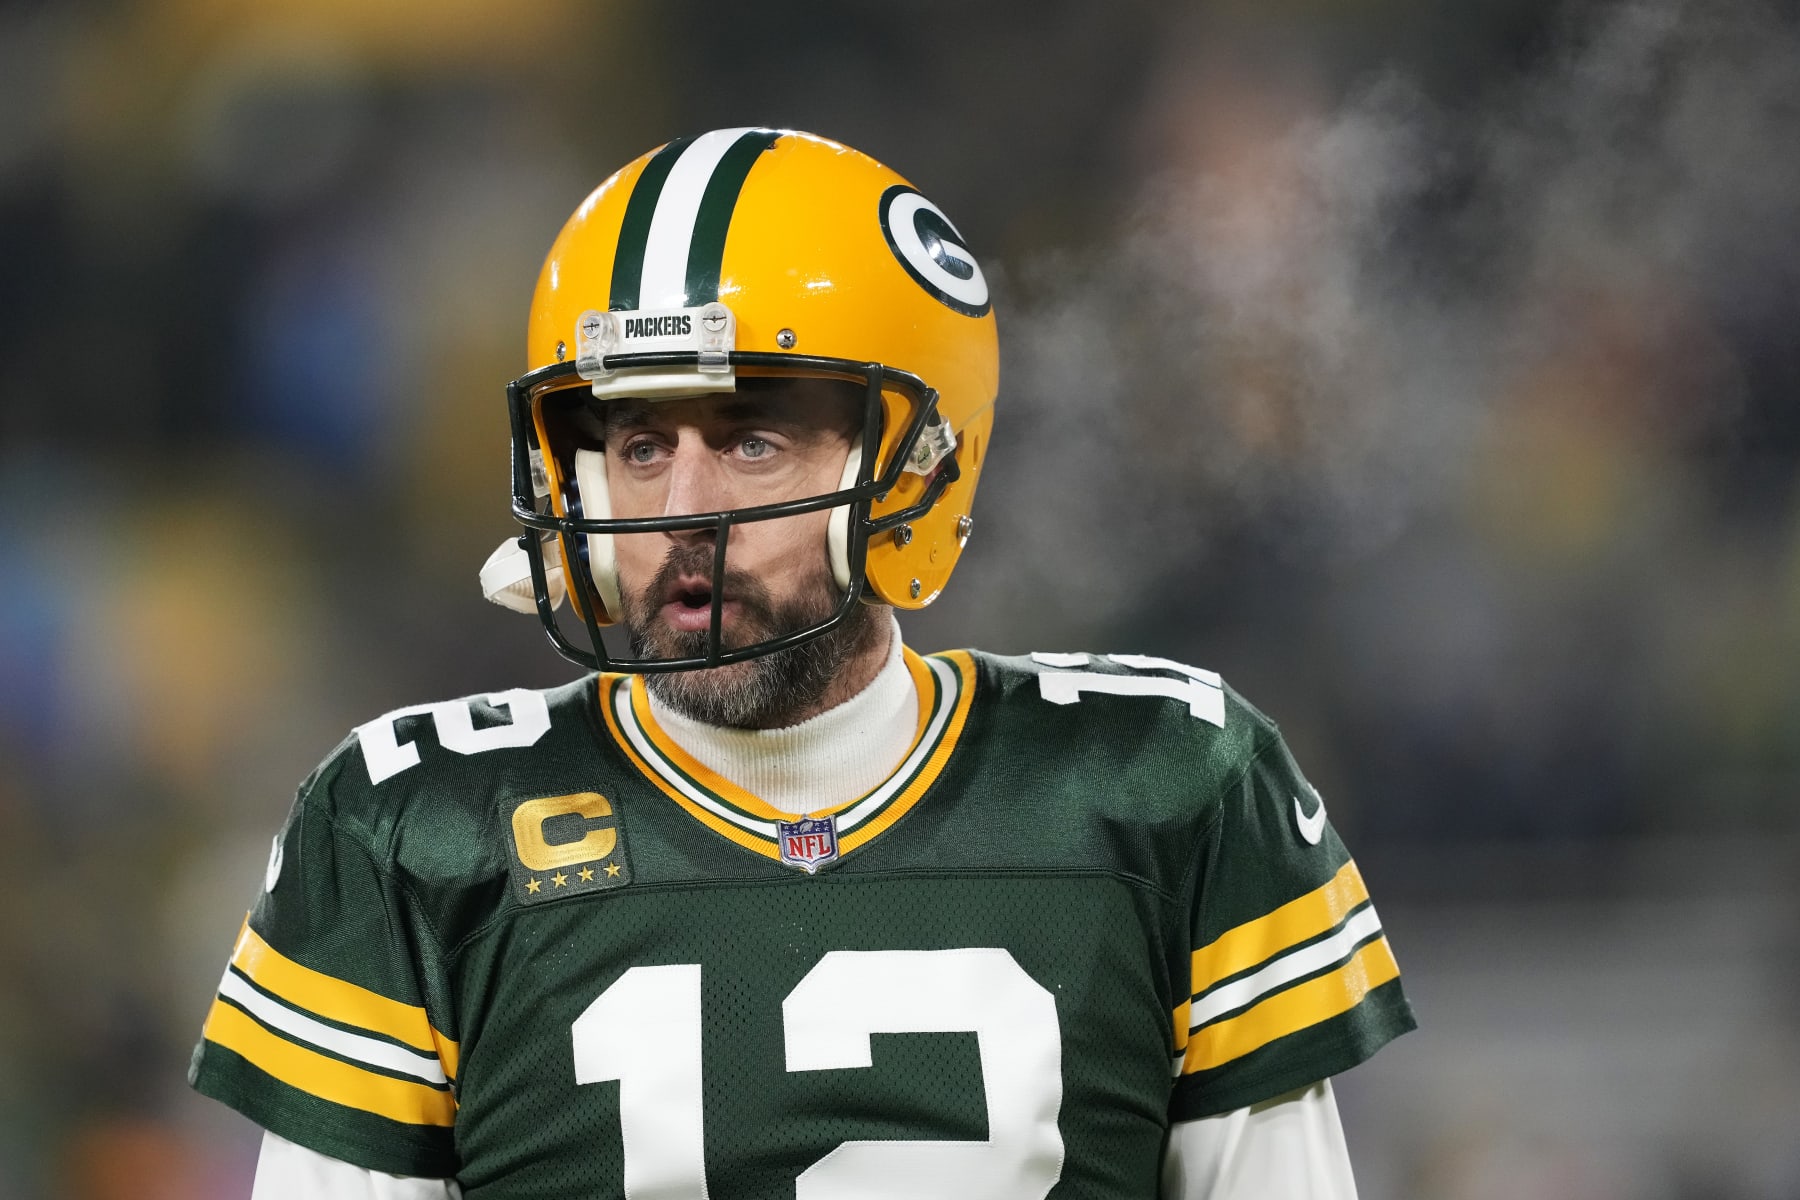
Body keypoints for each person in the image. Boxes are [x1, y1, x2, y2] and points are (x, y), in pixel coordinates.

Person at [190, 127, 1415, 1199]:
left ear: (914, 466)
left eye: (754, 439)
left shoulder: (1167, 787)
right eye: (638, 440)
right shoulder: (415, 829)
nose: (683, 508)